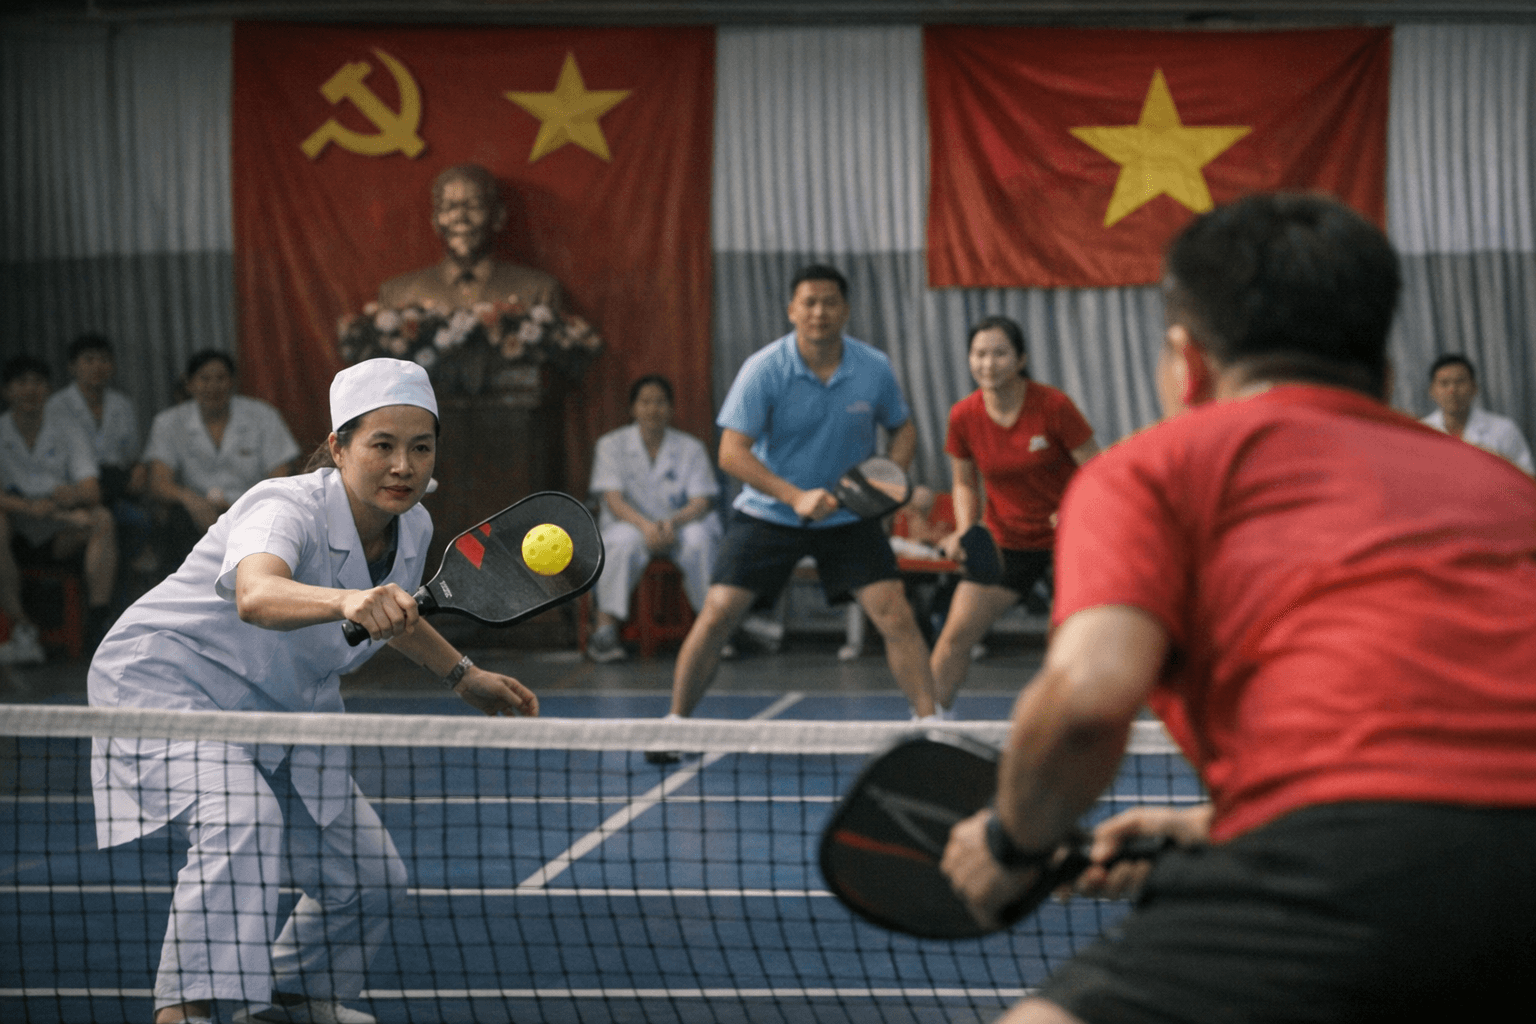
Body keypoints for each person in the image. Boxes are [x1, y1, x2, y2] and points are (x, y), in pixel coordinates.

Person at [940, 193, 1536, 1022]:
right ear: (1390, 377)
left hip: (1341, 873)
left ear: (1186, 364)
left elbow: (1086, 702)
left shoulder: (1153, 468)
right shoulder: (1509, 491)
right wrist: (1214, 825)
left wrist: (1011, 843)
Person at [89, 358, 538, 1024]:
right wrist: (349, 599)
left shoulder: (412, 528)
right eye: (381, 445)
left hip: (282, 703)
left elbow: (393, 614)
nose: (403, 466)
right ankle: (186, 1012)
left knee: (369, 879)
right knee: (240, 818)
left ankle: (292, 997)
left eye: (420, 447)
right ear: (338, 447)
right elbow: (256, 593)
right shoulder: (283, 505)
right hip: (169, 683)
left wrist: (462, 675)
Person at [656, 265, 938, 745]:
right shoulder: (764, 368)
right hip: (771, 512)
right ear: (792, 310)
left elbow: (903, 427)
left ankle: (931, 727)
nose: (819, 312)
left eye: (830, 302)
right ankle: (674, 726)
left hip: (849, 514)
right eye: (808, 302)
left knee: (894, 611)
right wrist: (794, 495)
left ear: (845, 310)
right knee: (720, 610)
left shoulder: (873, 368)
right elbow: (731, 452)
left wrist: (887, 483)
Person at [928, 316, 1098, 713]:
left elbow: (1096, 468)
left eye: (1000, 353)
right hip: (1007, 543)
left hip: (1068, 543)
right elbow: (965, 483)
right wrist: (968, 531)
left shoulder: (1053, 406)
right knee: (954, 637)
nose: (988, 363)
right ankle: (929, 723)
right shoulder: (963, 416)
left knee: (1071, 645)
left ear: (1020, 359)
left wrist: (1074, 509)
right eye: (980, 354)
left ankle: (1075, 731)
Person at [586, 374, 722, 663]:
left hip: (680, 525)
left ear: (671, 408)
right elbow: (614, 500)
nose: (653, 409)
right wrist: (647, 526)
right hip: (630, 524)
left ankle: (712, 631)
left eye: (660, 402)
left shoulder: (691, 447)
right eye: (645, 402)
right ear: (633, 408)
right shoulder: (611, 445)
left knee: (700, 540)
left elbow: (701, 501)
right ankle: (605, 631)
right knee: (622, 543)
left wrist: (671, 523)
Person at [0, 355, 118, 662]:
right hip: (15, 528)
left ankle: (98, 617)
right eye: (21, 383)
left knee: (102, 518)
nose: (30, 390)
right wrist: (26, 505)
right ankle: (19, 623)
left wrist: (63, 501)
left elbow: (91, 489)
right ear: (7, 391)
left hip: (58, 527)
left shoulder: (67, 428)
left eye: (38, 383)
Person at [144, 350, 300, 571]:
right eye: (204, 379)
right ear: (189, 385)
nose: (213, 387)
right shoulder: (168, 422)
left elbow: (281, 477)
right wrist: (191, 500)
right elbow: (159, 483)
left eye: (221, 378)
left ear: (233, 382)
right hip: (194, 514)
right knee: (175, 522)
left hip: (252, 509)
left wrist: (242, 506)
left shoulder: (263, 415)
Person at [377, 163, 562, 311]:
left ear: (498, 217)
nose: (460, 218)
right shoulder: (397, 295)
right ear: (435, 220)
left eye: (473, 206)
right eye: (449, 207)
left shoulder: (540, 292)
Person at [46, 332, 154, 581]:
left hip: (117, 486)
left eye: (104, 359)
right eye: (89, 359)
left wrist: (139, 468)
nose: (98, 366)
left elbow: (131, 455)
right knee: (125, 524)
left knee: (140, 520)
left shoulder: (122, 405)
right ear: (72, 366)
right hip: (77, 491)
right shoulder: (56, 406)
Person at [1420, 353, 1534, 474]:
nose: (1452, 390)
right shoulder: (1421, 432)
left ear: (1474, 387)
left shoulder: (1504, 430)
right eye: (1444, 383)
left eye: (1460, 381)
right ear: (1432, 391)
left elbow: (1527, 478)